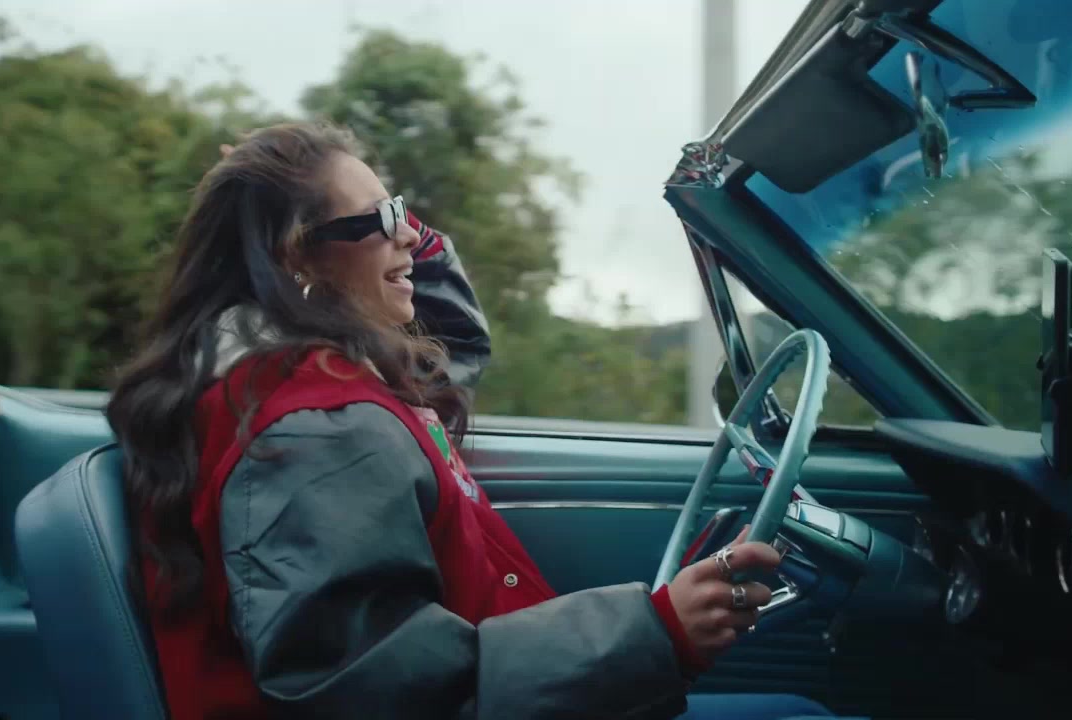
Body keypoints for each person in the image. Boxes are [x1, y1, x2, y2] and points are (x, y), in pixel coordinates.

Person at [106, 122, 843, 720]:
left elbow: (452, 345)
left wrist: (381, 220)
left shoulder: (335, 382)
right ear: (298, 257)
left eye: (405, 213)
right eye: (384, 221)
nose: (408, 235)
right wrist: (655, 632)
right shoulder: (318, 432)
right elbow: (365, 690)